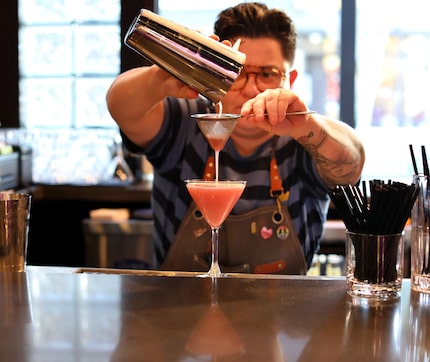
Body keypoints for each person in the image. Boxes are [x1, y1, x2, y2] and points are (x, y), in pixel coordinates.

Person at [106, 2, 365, 271]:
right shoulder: (185, 122)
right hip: (179, 309)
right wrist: (161, 77)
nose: (252, 88)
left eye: (268, 74)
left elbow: (353, 163)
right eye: (236, 71)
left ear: (292, 79)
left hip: (286, 312)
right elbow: (120, 107)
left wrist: (306, 124)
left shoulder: (303, 138)